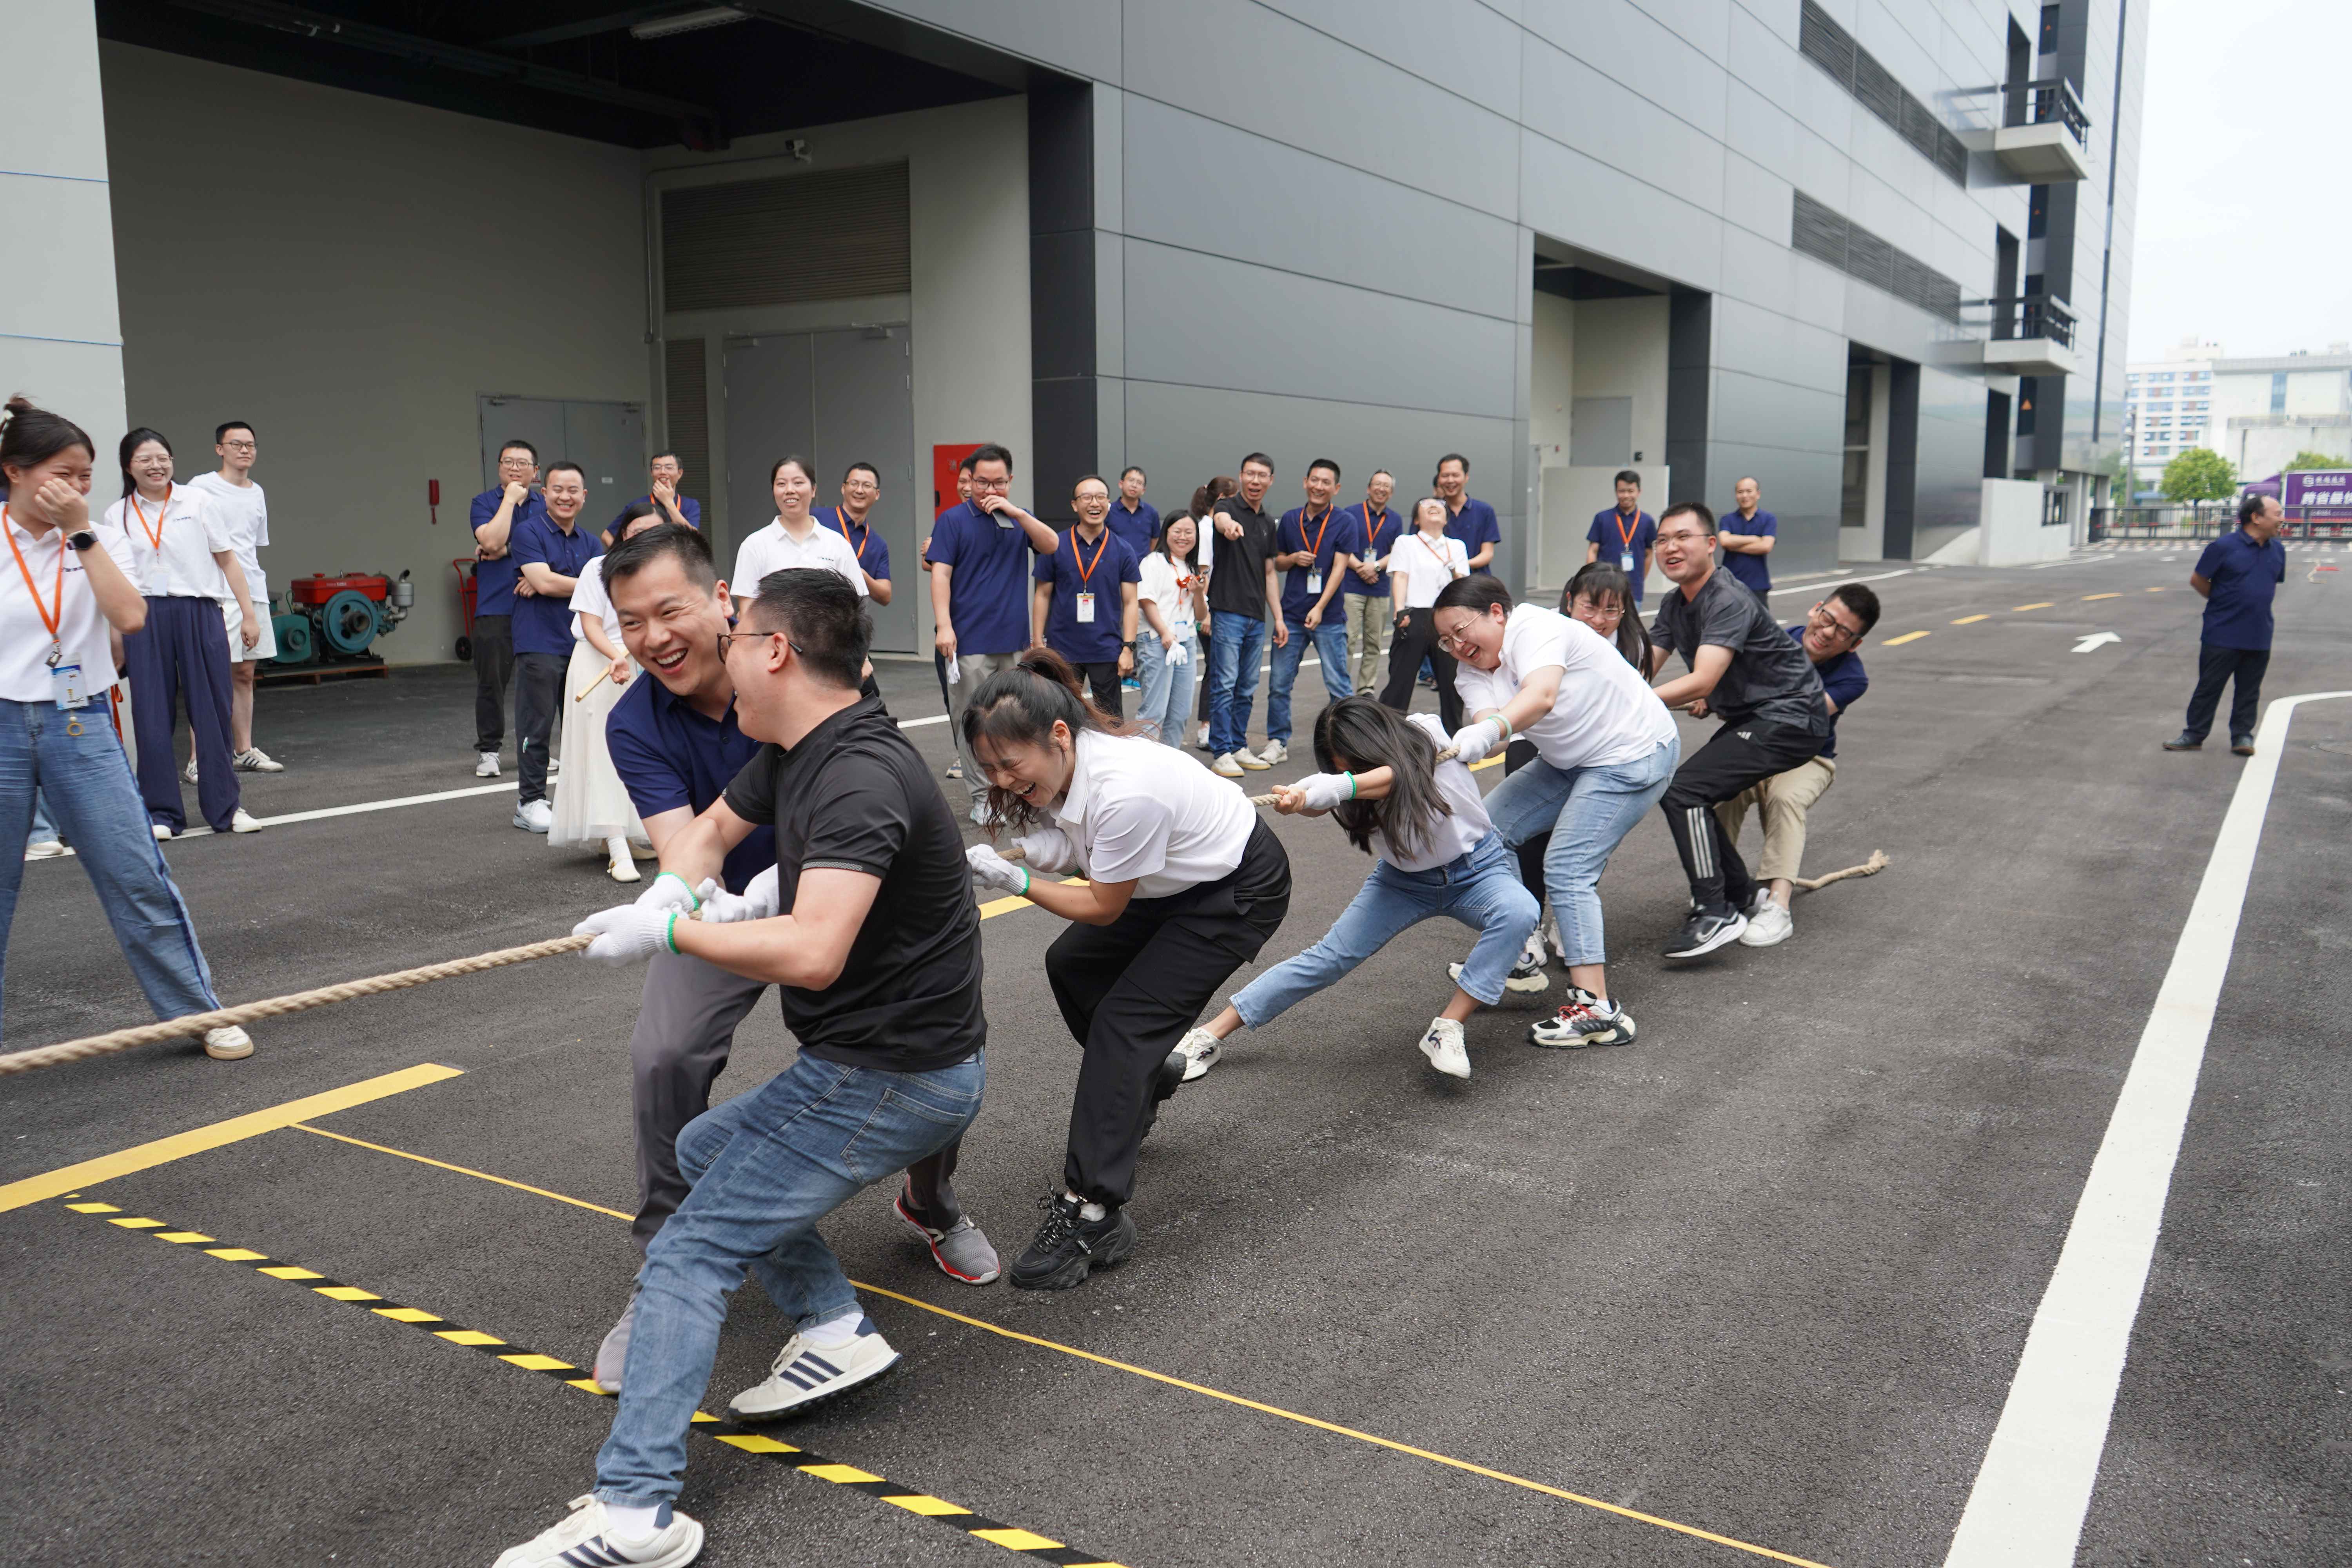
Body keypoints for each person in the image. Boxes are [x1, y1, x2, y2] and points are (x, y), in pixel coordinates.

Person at [500, 569, 987, 1568]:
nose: (718, 653)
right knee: (704, 1145)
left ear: (774, 650)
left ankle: (636, 1513)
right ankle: (834, 1327)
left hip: (895, 1077)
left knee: (691, 1250)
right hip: (867, 1062)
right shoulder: (798, 748)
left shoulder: (857, 776)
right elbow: (714, 830)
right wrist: (669, 894)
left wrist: (675, 933)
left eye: (735, 637)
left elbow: (813, 950)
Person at [586, 534, 993, 1398]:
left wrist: (801, 888)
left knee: (922, 1042)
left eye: (668, 611)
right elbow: (694, 838)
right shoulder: (634, 721)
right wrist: (670, 905)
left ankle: (932, 1201)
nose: (653, 637)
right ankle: (665, 1256)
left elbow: (862, 777)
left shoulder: (803, 653)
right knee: (664, 1054)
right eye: (630, 623)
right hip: (723, 910)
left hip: (845, 893)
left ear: (723, 605)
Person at [964, 652, 1291, 1290]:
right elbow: (1080, 846)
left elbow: (1103, 905)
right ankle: (1146, 1074)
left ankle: (1094, 1211)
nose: (1002, 779)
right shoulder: (1068, 765)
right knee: (1072, 964)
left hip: (1235, 890)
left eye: (1009, 763)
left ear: (1059, 736)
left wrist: (1016, 879)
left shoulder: (1125, 789)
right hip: (1170, 877)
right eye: (988, 768)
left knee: (1124, 1023)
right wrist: (1030, 850)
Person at [0, 396, 251, 1059]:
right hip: (3, 724)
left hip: (78, 722)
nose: (77, 487)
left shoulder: (102, 536)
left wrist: (80, 534)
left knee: (137, 874)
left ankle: (197, 1013)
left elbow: (131, 617)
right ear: (15, 472)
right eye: (63, 474)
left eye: (86, 475)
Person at [1174, 697, 1538, 1082]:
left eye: (1356, 765)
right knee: (1328, 959)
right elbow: (1321, 797)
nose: (1348, 774)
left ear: (1378, 741)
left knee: (1520, 912)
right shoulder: (1344, 783)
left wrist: (1339, 785)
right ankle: (1209, 1035)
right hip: (1403, 883)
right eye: (1339, 767)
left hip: (1478, 870)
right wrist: (1301, 799)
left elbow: (1392, 774)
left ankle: (1447, 1027)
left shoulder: (1425, 731)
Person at [1433, 575, 1679, 1048]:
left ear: (1497, 613)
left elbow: (1541, 694)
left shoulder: (1534, 627)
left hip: (1632, 753)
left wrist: (1490, 729)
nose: (1458, 645)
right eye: (1446, 640)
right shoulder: (1471, 671)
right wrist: (1463, 742)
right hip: (1570, 760)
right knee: (1487, 830)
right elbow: (1494, 734)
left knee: (1567, 866)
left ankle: (1597, 1009)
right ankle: (1521, 949)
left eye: (1461, 630)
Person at [1647, 502, 1831, 958]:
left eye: (1683, 537)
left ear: (1711, 544)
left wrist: (1631, 701)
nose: (1670, 547)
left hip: (1792, 716)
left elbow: (1702, 680)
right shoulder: (1674, 603)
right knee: (1694, 792)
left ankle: (1715, 911)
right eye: (1662, 540)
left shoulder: (1726, 598)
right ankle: (1741, 893)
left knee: (1684, 790)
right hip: (1755, 717)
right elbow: (1641, 667)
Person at [1497, 560, 1654, 972]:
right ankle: (1527, 925)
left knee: (1584, 839)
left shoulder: (1633, 645)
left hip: (1600, 753)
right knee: (1528, 836)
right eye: (1590, 607)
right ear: (1570, 601)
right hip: (1534, 739)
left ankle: (1570, 925)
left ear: (1624, 610)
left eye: (1611, 610)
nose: (1599, 620)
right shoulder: (1542, 631)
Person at [104, 429, 260, 839]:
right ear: (128, 467)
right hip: (144, 616)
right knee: (151, 715)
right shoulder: (117, 514)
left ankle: (226, 807)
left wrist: (248, 614)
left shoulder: (198, 501)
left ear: (172, 461)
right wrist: (116, 634)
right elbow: (115, 581)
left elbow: (228, 560)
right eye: (145, 460)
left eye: (163, 458)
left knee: (212, 709)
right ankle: (161, 813)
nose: (156, 466)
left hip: (199, 610)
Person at [1715, 586, 1877, 948]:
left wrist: (1731, 702)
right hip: (1757, 746)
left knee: (1785, 798)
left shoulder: (1853, 678)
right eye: (1828, 618)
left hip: (1809, 757)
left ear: (1855, 644)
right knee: (1719, 790)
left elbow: (1796, 715)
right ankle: (1720, 891)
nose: (1828, 632)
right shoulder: (1778, 641)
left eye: (1843, 632)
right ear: (1816, 609)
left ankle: (1778, 907)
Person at [928, 444, 1061, 818]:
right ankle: (982, 798)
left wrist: (1017, 513)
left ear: (1010, 481)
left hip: (1013, 640)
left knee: (1015, 720)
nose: (990, 490)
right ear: (969, 481)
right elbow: (941, 575)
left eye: (998, 482)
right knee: (972, 720)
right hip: (969, 639)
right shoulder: (953, 520)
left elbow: (1051, 545)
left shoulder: (1019, 519)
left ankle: (1015, 791)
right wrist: (944, 626)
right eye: (982, 482)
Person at [551, 503, 662, 882]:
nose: (645, 538)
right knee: (601, 751)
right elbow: (591, 624)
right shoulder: (597, 568)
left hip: (641, 664)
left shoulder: (664, 574)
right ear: (624, 534)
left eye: (654, 531)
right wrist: (616, 656)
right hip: (600, 662)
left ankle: (624, 835)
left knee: (639, 752)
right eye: (638, 531)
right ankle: (616, 848)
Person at [181, 420, 282, 773]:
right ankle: (199, 758)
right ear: (219, 449)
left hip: (252, 590)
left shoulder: (257, 493)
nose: (244, 450)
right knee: (210, 675)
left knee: (244, 673)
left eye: (250, 445)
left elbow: (252, 546)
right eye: (236, 444)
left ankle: (244, 750)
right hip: (216, 594)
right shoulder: (200, 488)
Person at [510, 462, 600, 833]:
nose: (566, 497)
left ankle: (581, 802)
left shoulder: (591, 543)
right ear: (544, 493)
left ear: (584, 496)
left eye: (573, 490)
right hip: (539, 642)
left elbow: (602, 587)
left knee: (584, 726)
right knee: (538, 724)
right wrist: (550, 581)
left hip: (582, 642)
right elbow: (548, 584)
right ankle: (529, 802)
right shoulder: (527, 532)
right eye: (558, 489)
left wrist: (548, 580)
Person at [2165, 490, 2287, 757]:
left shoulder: (2278, 550)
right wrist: (2222, 602)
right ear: (2256, 518)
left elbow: (2268, 584)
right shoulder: (2223, 547)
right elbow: (2198, 580)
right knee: (2209, 686)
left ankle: (2242, 735)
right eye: (2278, 514)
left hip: (2259, 632)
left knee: (2249, 690)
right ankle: (2194, 735)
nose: (2282, 519)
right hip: (2222, 631)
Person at [1265, 457, 1352, 764]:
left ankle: (1349, 745)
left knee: (1339, 685)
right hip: (1291, 616)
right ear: (1305, 482)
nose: (1319, 486)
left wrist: (1319, 607)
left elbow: (1340, 569)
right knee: (1279, 684)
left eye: (1326, 482)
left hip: (1329, 617)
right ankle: (1278, 741)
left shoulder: (1345, 521)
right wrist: (1293, 559)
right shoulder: (1290, 519)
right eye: (1314, 480)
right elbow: (1277, 563)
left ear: (1336, 488)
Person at [1031, 474, 1140, 715]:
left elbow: (1131, 602)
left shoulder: (1123, 549)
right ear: (1074, 504)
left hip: (1107, 649)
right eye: (1087, 498)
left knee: (1110, 721)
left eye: (1101, 497)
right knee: (1061, 717)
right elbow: (1042, 595)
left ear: (1109, 503)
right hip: (1062, 650)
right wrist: (1038, 644)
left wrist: (1128, 648)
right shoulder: (1055, 545)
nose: (1095, 503)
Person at [1205, 454, 1286, 777]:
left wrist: (1278, 618)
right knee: (1225, 684)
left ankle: (1239, 745)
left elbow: (1270, 574)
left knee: (1247, 686)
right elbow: (1220, 521)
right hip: (1228, 611)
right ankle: (1221, 751)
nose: (1256, 480)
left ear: (1271, 480)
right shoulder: (1227, 507)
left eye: (1262, 475)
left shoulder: (1268, 522)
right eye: (1250, 474)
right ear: (1241, 476)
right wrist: (1228, 527)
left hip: (1257, 617)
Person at [470, 440, 544, 778]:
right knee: (492, 683)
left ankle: (535, 750)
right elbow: (490, 542)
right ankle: (489, 752)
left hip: (538, 605)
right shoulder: (484, 503)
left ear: (536, 471)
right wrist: (511, 500)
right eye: (508, 462)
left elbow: (553, 546)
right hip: (496, 605)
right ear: (499, 467)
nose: (515, 468)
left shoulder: (547, 504)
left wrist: (510, 551)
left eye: (522, 463)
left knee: (538, 685)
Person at [1379, 497, 1471, 730]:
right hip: (1415, 615)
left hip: (1448, 617)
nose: (1434, 505)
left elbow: (1462, 583)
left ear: (1446, 519)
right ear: (1417, 520)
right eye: (1426, 504)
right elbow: (1401, 576)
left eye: (1439, 504)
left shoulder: (1457, 546)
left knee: (1452, 684)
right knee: (1400, 682)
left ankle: (1454, 736)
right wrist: (1399, 611)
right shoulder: (1406, 542)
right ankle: (1387, 735)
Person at [1134, 514, 1204, 748]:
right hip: (1157, 640)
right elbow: (1146, 601)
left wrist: (1198, 593)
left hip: (1186, 642)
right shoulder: (1153, 562)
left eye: (1189, 532)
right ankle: (1143, 765)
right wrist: (1165, 633)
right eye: (1177, 531)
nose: (1183, 537)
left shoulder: (1192, 566)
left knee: (1181, 713)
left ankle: (1171, 762)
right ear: (1166, 532)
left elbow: (1201, 615)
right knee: (1154, 713)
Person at [1338, 470, 1401, 695]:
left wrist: (1374, 567)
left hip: (1380, 588)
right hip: (1352, 587)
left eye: (1387, 486)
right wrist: (1360, 568)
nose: (1381, 489)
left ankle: (1366, 688)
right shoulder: (1351, 513)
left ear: (1391, 493)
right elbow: (1341, 547)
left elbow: (1396, 552)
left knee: (1374, 642)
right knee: (1348, 639)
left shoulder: (1395, 519)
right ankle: (1342, 688)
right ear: (1369, 488)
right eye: (1378, 484)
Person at [1188, 474, 1238, 750]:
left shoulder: (1207, 526)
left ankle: (1212, 727)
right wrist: (1206, 613)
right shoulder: (1206, 528)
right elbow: (1204, 571)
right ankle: (1207, 728)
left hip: (1214, 607)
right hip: (1209, 609)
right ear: (1222, 499)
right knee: (1216, 669)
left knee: (1216, 667)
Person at [817, 462, 891, 605]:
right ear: (843, 488)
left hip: (850, 615)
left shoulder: (878, 544)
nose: (859, 490)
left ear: (877, 494)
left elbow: (886, 596)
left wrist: (861, 575)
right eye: (854, 484)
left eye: (867, 486)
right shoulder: (817, 518)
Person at [1586, 470, 1658, 604]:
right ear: (1616, 492)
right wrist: (1592, 578)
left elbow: (1649, 554)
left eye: (1631, 491)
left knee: (1632, 618)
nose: (1626, 496)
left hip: (1634, 589)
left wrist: (1641, 579)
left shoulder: (1647, 521)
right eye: (1622, 491)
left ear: (1639, 492)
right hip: (1604, 585)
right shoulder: (1602, 518)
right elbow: (1593, 551)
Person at [1719, 476, 1777, 610]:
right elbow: (1725, 541)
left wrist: (1733, 546)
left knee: (1760, 622)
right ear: (1736, 495)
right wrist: (1755, 539)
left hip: (1758, 584)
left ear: (1758, 494)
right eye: (1740, 492)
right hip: (1729, 584)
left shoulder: (1768, 519)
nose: (1745, 496)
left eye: (1749, 491)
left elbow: (1766, 547)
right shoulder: (1727, 520)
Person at [610, 450, 700, 537]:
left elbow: (693, 539)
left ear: (680, 473)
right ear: (652, 473)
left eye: (669, 468)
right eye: (657, 468)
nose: (663, 472)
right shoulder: (638, 504)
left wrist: (669, 503)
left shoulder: (691, 505)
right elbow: (608, 535)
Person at [1436, 453, 1499, 573]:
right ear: (1438, 478)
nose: (1450, 480)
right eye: (1445, 476)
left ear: (1466, 477)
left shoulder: (1484, 511)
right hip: (1440, 579)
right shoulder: (1431, 511)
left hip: (1477, 580)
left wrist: (1459, 566)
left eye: (1456, 475)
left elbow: (1488, 554)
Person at [1108, 465, 1158, 560]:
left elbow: (1155, 540)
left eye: (1139, 483)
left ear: (1143, 490)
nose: (1134, 485)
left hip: (1143, 566)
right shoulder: (1109, 511)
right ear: (1121, 484)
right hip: (1115, 564)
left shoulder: (1152, 513)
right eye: (1131, 480)